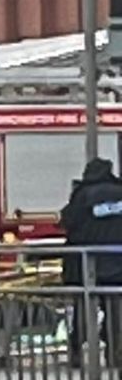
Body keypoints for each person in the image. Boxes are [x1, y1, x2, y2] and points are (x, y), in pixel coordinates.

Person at [59, 157, 122, 367]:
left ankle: (77, 350)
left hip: (85, 264)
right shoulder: (119, 191)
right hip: (116, 264)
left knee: (82, 308)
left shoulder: (82, 194)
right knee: (115, 311)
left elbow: (67, 221)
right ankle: (114, 354)